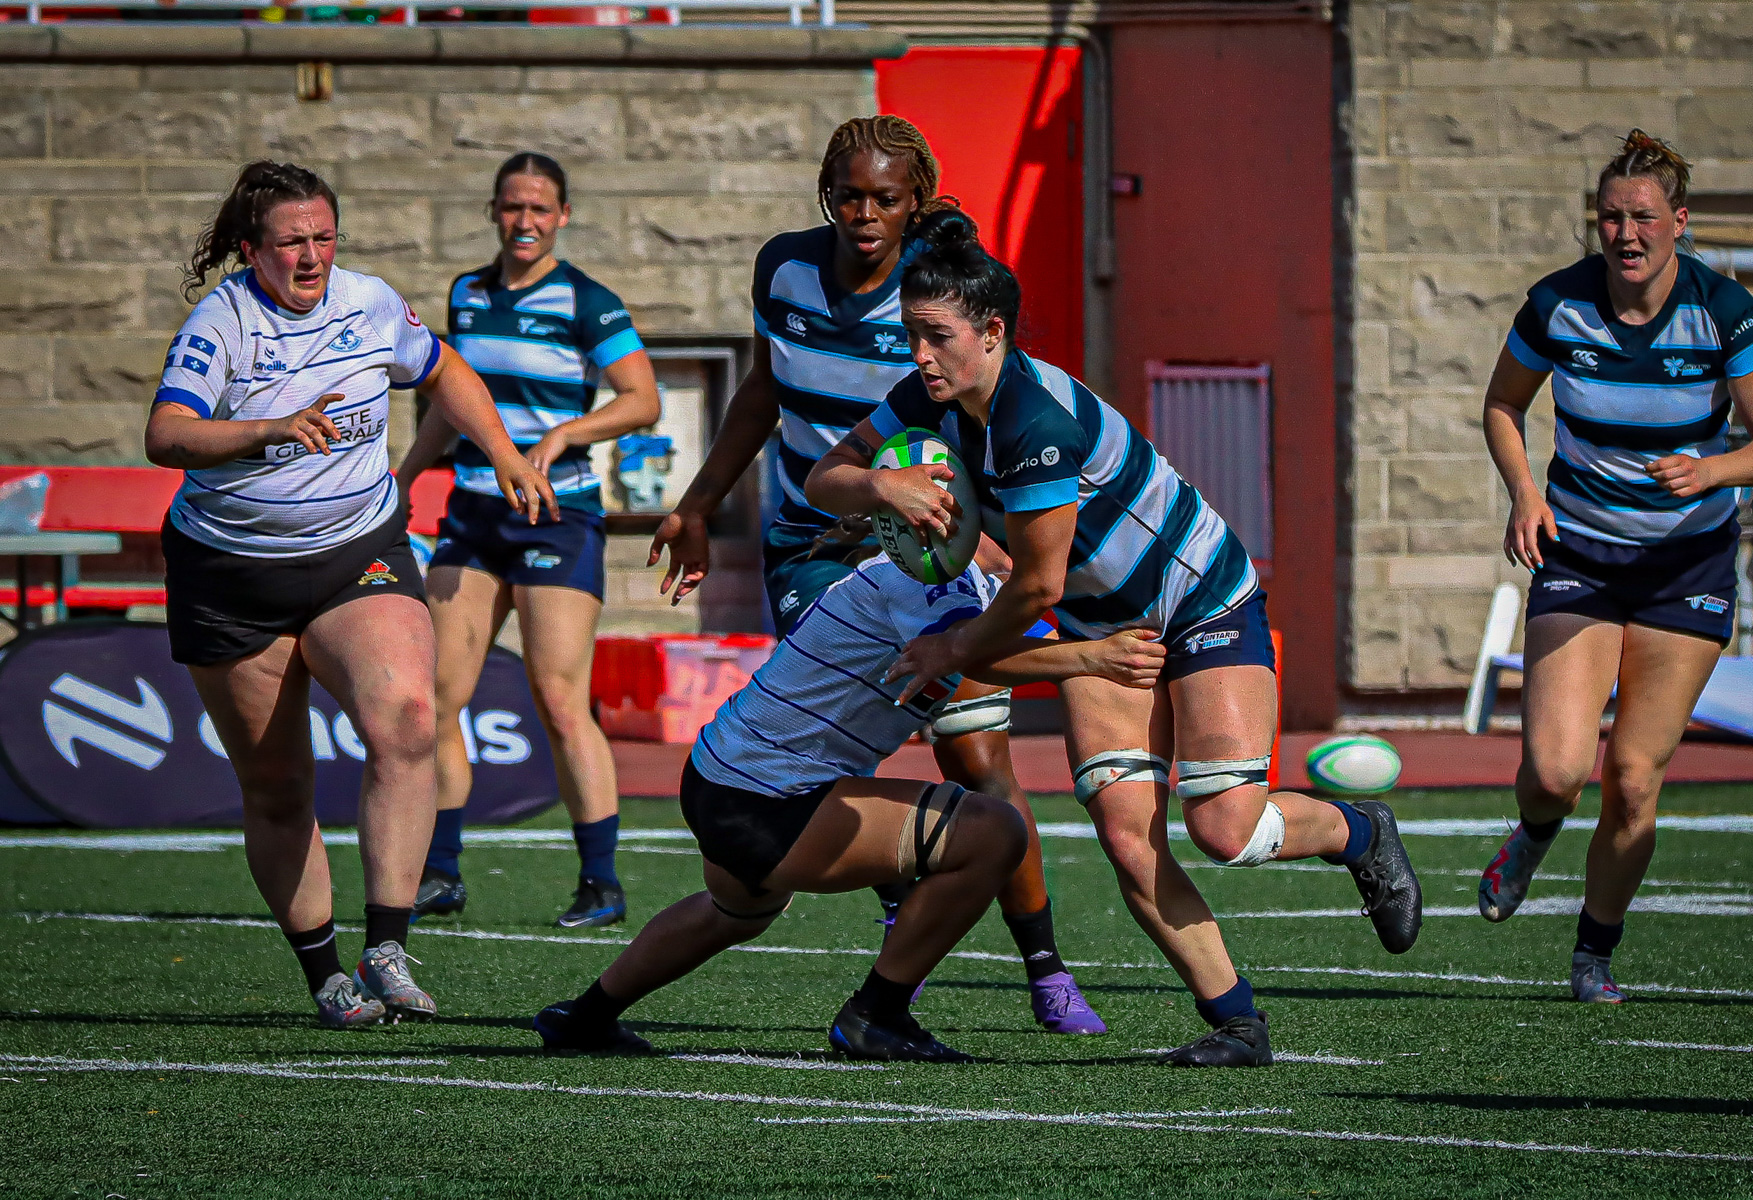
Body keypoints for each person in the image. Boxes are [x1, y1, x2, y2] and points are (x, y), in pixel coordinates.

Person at [807, 209, 1423, 1067]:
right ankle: (1238, 1024)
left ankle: (1359, 834)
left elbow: (1035, 586)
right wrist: (882, 482)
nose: (917, 356)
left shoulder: (1036, 425)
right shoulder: (928, 396)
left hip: (1203, 604)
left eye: (935, 336)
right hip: (1106, 629)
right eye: (909, 334)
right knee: (1129, 837)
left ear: (992, 332)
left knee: (1225, 829)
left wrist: (954, 652)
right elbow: (820, 477)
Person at [644, 116, 1102, 1032]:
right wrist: (696, 504)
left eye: (885, 199)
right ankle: (899, 936)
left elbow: (991, 412)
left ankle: (1046, 967)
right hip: (819, 541)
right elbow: (765, 390)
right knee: (844, 732)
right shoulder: (785, 269)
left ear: (915, 201)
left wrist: (984, 536)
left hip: (934, 539)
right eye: (848, 195)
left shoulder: (939, 292)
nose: (864, 213)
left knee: (976, 756)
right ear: (826, 193)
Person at [144, 160, 557, 1028]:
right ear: (251, 249)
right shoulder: (221, 323)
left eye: (324, 237)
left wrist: (508, 454)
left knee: (407, 718)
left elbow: (444, 369)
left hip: (355, 551)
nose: (311, 256)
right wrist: (266, 431)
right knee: (280, 788)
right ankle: (327, 975)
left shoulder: (369, 302)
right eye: (291, 241)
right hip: (231, 575)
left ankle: (389, 945)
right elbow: (167, 434)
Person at [533, 554, 1165, 1060]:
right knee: (992, 831)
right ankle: (877, 1015)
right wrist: (1091, 658)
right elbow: (968, 652)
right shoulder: (930, 578)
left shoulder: (949, 576)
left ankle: (585, 1016)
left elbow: (1021, 624)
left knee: (735, 910)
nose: (1047, 539)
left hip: (725, 777)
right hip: (767, 796)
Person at [1475, 131, 1753, 1002]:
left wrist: (1714, 469)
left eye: (1643, 216)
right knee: (1554, 772)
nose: (1626, 231)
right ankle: (1534, 834)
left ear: (1678, 223)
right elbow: (1503, 405)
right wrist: (1523, 493)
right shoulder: (1558, 305)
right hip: (1578, 552)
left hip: (1684, 565)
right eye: (1611, 216)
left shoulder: (1722, 310)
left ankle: (1593, 954)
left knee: (1631, 780)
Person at [397, 152, 660, 930]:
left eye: (540, 209)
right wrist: (407, 476)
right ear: (493, 211)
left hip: (557, 512)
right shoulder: (467, 295)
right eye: (513, 207)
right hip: (474, 512)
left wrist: (570, 431)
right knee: (438, 697)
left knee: (557, 699)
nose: (525, 221)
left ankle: (601, 883)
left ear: (563, 217)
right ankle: (440, 871)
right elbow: (450, 402)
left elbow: (641, 399)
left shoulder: (588, 300)